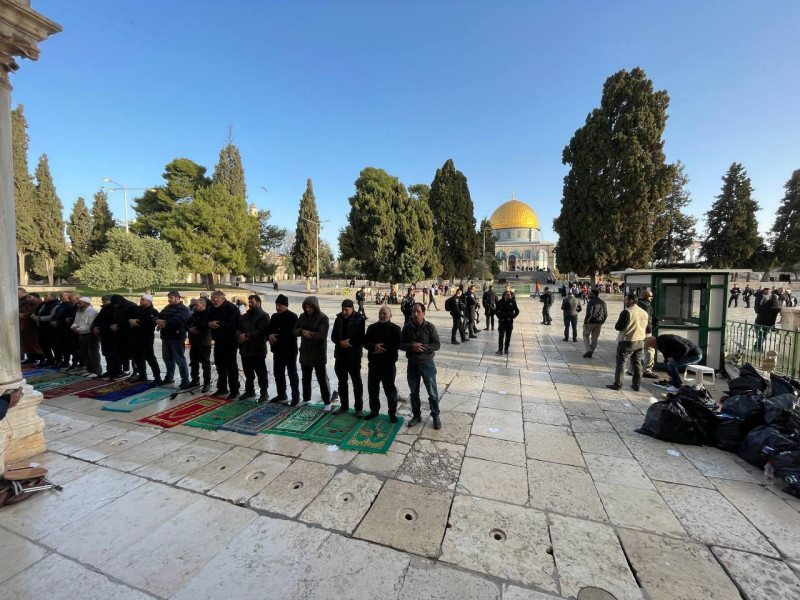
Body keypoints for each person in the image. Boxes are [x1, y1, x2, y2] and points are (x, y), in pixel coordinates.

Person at [400, 303, 441, 429]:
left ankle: (435, 416)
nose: (415, 314)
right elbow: (401, 344)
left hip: (427, 364)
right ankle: (416, 415)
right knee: (414, 392)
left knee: (432, 392)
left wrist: (423, 347)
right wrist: (412, 347)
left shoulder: (430, 327)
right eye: (413, 312)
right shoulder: (407, 328)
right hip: (412, 364)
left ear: (423, 313)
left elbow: (437, 345)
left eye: (418, 311)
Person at [363, 305, 401, 422]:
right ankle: (374, 411)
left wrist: (382, 347)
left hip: (388, 365)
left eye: (385, 313)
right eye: (380, 313)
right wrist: (374, 347)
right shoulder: (372, 327)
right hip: (374, 364)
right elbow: (365, 342)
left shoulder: (395, 328)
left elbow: (396, 344)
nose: (382, 315)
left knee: (390, 390)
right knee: (373, 389)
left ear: (390, 315)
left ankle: (392, 413)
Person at [294, 296, 332, 410]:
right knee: (306, 378)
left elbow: (322, 335)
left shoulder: (323, 318)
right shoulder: (302, 316)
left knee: (322, 379)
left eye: (310, 307)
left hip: (318, 353)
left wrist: (307, 334)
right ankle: (306, 398)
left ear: (315, 307)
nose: (308, 310)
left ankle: (327, 402)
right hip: (305, 352)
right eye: (306, 307)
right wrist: (301, 331)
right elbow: (294, 330)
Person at [331, 299, 366, 416]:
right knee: (342, 382)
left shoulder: (360, 319)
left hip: (354, 356)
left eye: (346, 310)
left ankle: (358, 408)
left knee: (357, 383)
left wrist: (349, 342)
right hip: (340, 355)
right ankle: (344, 406)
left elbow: (361, 337)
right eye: (343, 309)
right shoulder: (338, 318)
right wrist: (340, 342)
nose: (344, 312)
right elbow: (333, 336)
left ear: (352, 309)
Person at [607, 294, 649, 391]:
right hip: (640, 340)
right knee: (637, 363)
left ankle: (618, 384)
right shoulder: (644, 312)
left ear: (631, 301)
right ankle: (636, 385)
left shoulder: (627, 312)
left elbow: (618, 327)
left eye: (625, 300)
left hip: (627, 341)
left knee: (621, 363)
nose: (624, 302)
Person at [267, 294, 300, 405]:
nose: (278, 308)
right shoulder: (274, 317)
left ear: (286, 306)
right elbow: (269, 330)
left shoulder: (293, 317)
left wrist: (277, 338)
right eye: (276, 305)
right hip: (277, 350)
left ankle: (295, 397)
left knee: (292, 374)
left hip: (289, 350)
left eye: (280, 305)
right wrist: (269, 336)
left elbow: (292, 333)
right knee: (278, 373)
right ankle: (281, 395)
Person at [155, 290, 192, 389]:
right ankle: (169, 377)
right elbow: (159, 316)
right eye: (169, 297)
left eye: (171, 297)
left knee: (179, 359)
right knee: (167, 359)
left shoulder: (183, 309)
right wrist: (156, 320)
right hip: (166, 337)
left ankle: (185, 380)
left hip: (177, 337)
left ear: (177, 298)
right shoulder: (167, 307)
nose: (169, 299)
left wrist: (163, 323)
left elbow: (178, 320)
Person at [237, 294, 270, 401]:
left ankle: (264, 393)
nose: (250, 304)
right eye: (249, 302)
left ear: (258, 303)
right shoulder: (245, 316)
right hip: (245, 349)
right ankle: (249, 391)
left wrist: (246, 336)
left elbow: (261, 331)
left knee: (261, 373)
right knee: (248, 373)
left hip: (257, 349)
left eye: (252, 302)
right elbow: (238, 328)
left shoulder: (264, 316)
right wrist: (239, 336)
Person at [208, 290, 241, 399]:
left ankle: (234, 390)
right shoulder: (213, 308)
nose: (213, 301)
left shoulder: (232, 308)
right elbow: (208, 319)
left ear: (222, 298)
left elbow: (233, 324)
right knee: (220, 365)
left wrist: (218, 324)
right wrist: (209, 324)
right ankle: (222, 388)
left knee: (231, 366)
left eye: (215, 299)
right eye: (212, 300)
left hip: (230, 340)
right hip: (219, 340)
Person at [130, 294, 162, 384]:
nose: (141, 301)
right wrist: (130, 320)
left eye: (143, 300)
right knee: (137, 356)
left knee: (150, 357)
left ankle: (157, 377)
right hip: (136, 336)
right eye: (141, 299)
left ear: (149, 301)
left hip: (146, 337)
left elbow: (149, 323)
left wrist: (136, 322)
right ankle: (142, 375)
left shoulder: (153, 311)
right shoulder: (138, 309)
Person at [70, 297, 101, 377]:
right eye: (78, 303)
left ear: (86, 303)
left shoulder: (93, 312)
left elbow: (91, 326)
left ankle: (96, 371)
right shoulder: (79, 311)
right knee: (84, 353)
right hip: (81, 335)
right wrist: (73, 327)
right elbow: (75, 322)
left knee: (93, 354)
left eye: (80, 303)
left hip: (90, 335)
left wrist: (79, 329)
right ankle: (89, 370)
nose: (78, 305)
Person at [110, 294, 138, 377]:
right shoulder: (118, 307)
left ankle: (136, 371)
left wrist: (118, 326)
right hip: (120, 334)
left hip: (130, 334)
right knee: (123, 353)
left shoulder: (132, 307)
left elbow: (133, 321)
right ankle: (126, 370)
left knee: (133, 354)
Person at [188, 296, 212, 393]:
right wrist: (189, 328)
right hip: (194, 342)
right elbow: (186, 324)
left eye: (197, 305)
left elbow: (204, 325)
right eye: (194, 305)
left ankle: (207, 383)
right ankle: (195, 380)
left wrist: (195, 328)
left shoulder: (208, 314)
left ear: (203, 305)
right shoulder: (194, 314)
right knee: (193, 363)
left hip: (204, 342)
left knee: (205, 364)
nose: (195, 306)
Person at [91, 296, 115, 377]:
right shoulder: (103, 309)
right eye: (103, 301)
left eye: (106, 301)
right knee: (106, 353)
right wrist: (94, 327)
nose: (104, 303)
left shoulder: (113, 309)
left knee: (112, 353)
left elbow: (111, 321)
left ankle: (114, 370)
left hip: (110, 334)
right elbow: (98, 319)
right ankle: (109, 370)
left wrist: (100, 328)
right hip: (103, 334)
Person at [582, 289, 607, 358]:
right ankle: (591, 352)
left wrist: (586, 322)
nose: (589, 295)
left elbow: (589, 313)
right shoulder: (603, 302)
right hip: (599, 323)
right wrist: (602, 321)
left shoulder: (591, 302)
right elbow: (606, 314)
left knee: (585, 335)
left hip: (591, 322)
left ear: (594, 294)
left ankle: (588, 349)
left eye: (590, 294)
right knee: (595, 338)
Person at [19, 292, 43, 364]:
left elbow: (32, 313)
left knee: (36, 344)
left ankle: (42, 359)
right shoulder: (25, 304)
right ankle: (31, 358)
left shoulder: (39, 305)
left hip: (34, 327)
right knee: (27, 343)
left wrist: (25, 315)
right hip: (25, 327)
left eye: (30, 297)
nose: (27, 299)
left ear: (36, 298)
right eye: (27, 297)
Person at [495, 289, 520, 355]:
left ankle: (506, 349)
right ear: (504, 295)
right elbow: (496, 311)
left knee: (508, 336)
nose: (509, 296)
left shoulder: (513, 302)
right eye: (508, 295)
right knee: (501, 336)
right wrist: (499, 317)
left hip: (509, 322)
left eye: (510, 295)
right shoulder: (500, 302)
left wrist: (512, 317)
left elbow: (517, 311)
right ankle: (500, 350)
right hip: (502, 322)